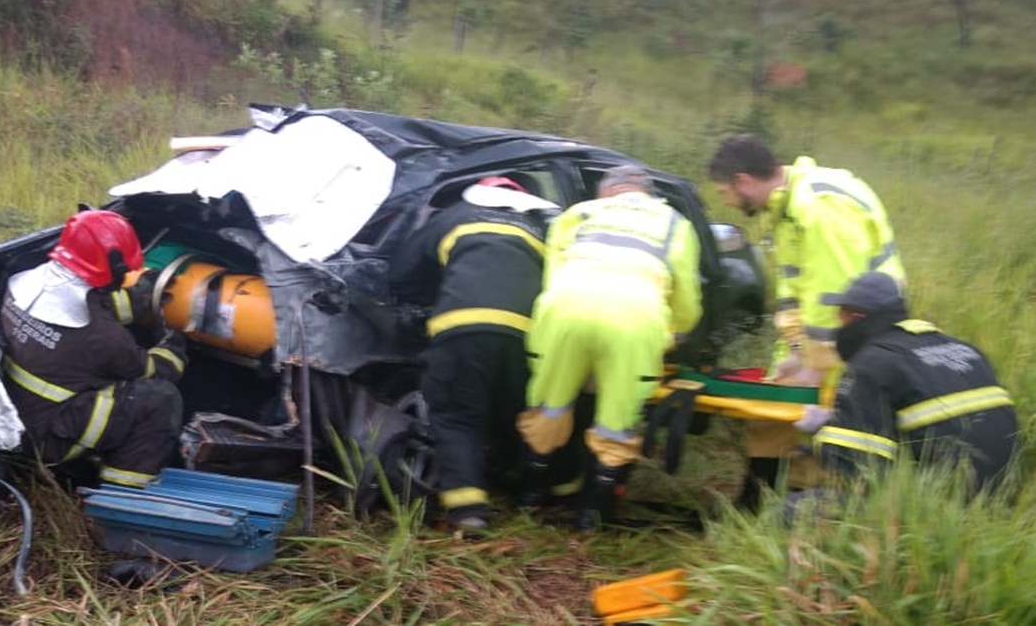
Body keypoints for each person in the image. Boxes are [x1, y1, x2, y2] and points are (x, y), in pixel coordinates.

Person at [707, 134, 907, 511]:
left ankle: (812, 517)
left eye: (725, 193)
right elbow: (795, 294)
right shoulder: (787, 210)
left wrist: (815, 369)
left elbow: (837, 300)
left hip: (858, 339)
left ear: (743, 180)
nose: (728, 203)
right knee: (772, 415)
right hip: (822, 338)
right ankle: (758, 501)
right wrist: (795, 353)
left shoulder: (820, 208)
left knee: (830, 422)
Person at [517, 165, 703, 531]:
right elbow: (686, 296)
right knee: (616, 422)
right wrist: (675, 335)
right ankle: (592, 516)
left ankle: (529, 498)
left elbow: (554, 272)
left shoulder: (580, 212)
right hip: (636, 318)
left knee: (549, 406)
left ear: (607, 191)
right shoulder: (674, 223)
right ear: (647, 193)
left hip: (566, 308)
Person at [388, 176, 559, 534]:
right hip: (527, 336)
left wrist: (422, 303)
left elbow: (403, 271)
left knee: (456, 416)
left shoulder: (454, 217)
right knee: (521, 413)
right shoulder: (541, 228)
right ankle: (535, 491)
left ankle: (467, 511)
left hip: (462, 328)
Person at [791, 271, 1018, 509]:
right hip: (1005, 495)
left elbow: (857, 467)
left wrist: (823, 432)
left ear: (857, 317)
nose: (839, 325)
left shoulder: (872, 362)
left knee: (785, 511)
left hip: (941, 507)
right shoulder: (968, 351)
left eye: (842, 316)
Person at [0, 208, 188, 488]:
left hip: (9, 418)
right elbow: (151, 370)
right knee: (159, 398)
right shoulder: (103, 339)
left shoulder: (25, 282)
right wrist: (174, 345)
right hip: (48, 439)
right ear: (112, 267)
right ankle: (123, 493)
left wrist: (142, 295)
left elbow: (93, 304)